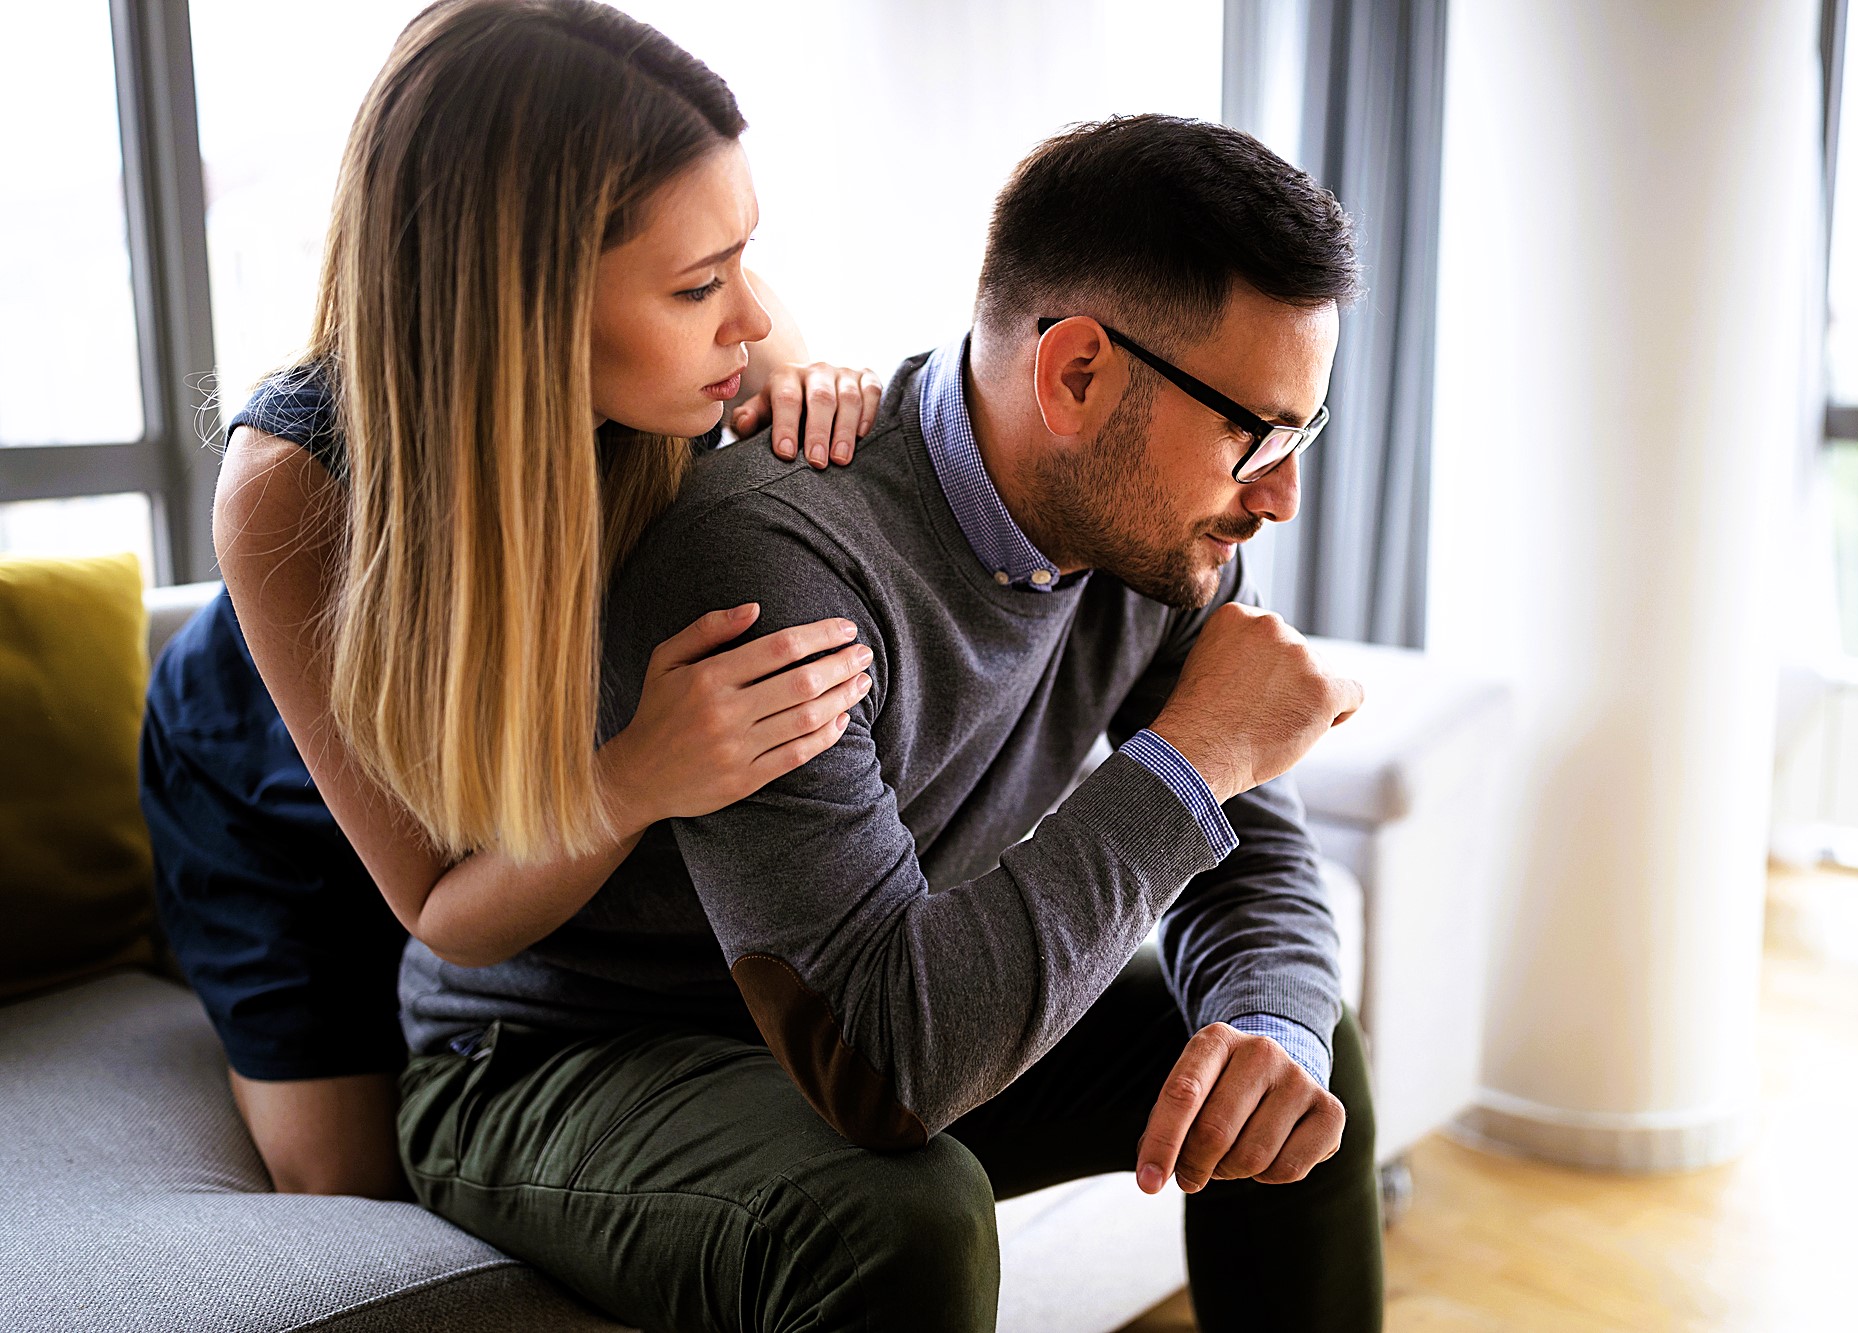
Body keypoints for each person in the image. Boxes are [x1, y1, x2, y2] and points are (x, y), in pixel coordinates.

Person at [399, 110, 1383, 1331]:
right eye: (1255, 434)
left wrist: (1268, 1014)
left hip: (861, 992)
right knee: (905, 1215)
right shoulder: (774, 558)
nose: (1279, 495)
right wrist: (1192, 759)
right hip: (567, 1057)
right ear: (1076, 373)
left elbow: (1252, 855)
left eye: (1301, 432)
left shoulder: (1158, 545)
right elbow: (878, 1065)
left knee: (1288, 1059)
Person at [138, 0, 886, 1202]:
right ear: (521, 303)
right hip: (278, 794)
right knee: (352, 1198)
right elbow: (445, 904)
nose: (754, 318)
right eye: (701, 283)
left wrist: (840, 398)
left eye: (743, 254)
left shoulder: (735, 343)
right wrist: (639, 774)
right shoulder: (290, 486)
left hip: (511, 755)